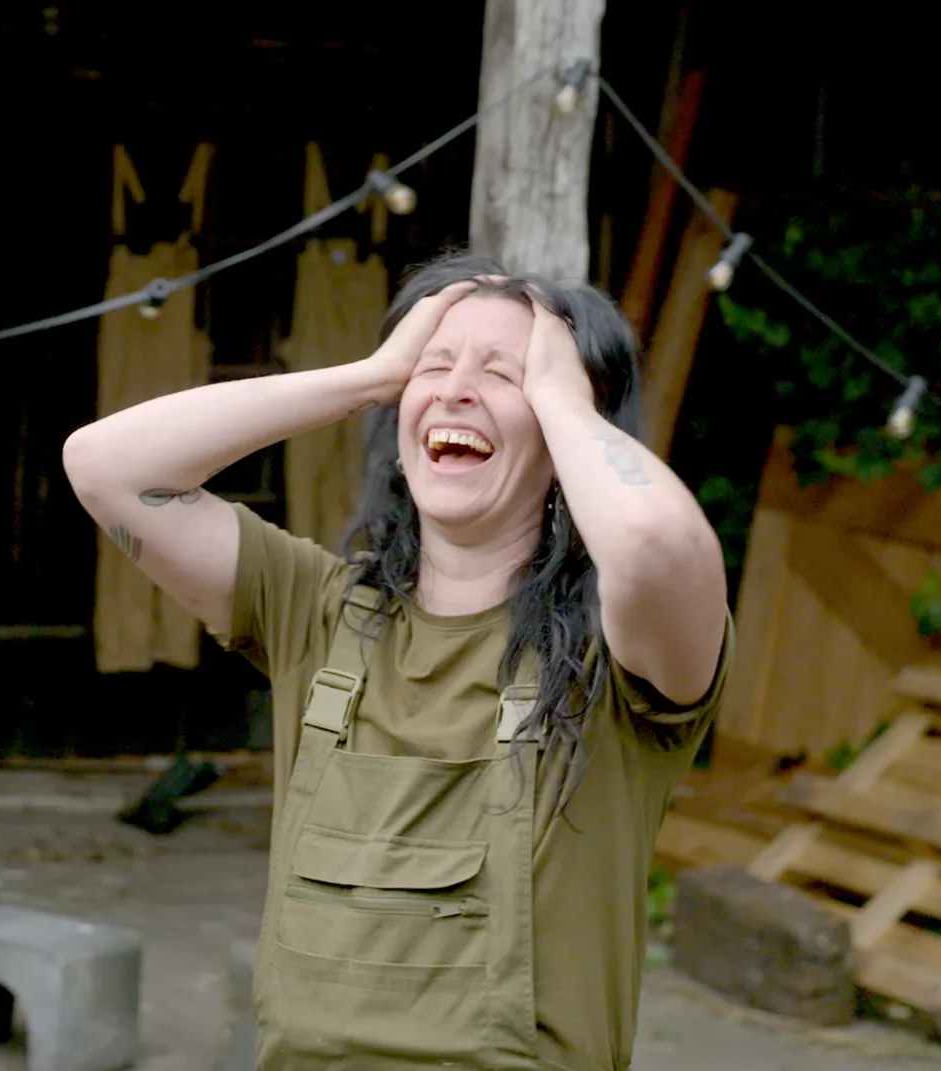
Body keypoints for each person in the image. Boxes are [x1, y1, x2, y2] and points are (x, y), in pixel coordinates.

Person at [62, 251, 731, 1070]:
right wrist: (371, 376)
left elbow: (653, 539)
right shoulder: (313, 609)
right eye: (433, 365)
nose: (455, 390)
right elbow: (104, 467)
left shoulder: (621, 655)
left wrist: (562, 395)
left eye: (505, 374)